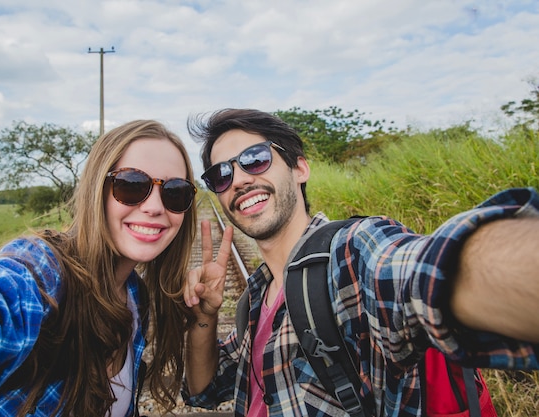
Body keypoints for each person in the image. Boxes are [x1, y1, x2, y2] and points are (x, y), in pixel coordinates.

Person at [182, 108, 539, 416]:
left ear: (299, 169)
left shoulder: (351, 254)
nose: (240, 180)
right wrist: (204, 317)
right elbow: (204, 389)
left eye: (254, 159)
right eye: (221, 175)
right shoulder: (257, 299)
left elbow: (419, 272)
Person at [0, 120, 201, 417]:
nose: (154, 206)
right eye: (131, 185)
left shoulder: (136, 296)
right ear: (96, 190)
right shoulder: (46, 272)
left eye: (174, 192)